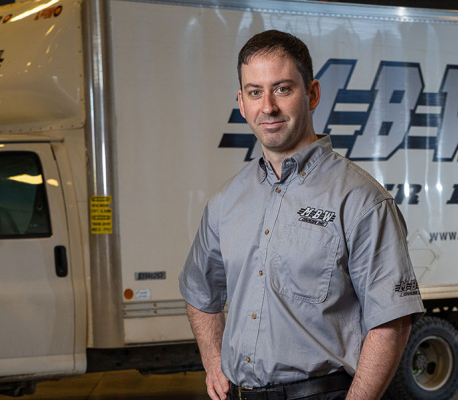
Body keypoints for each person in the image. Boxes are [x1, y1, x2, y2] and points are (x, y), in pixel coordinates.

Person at [179, 30, 424, 400]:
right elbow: (199, 291)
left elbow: (391, 320)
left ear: (312, 94)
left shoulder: (361, 200)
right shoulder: (226, 201)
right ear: (241, 103)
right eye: (254, 92)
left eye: (282, 89)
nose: (268, 107)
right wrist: (214, 361)